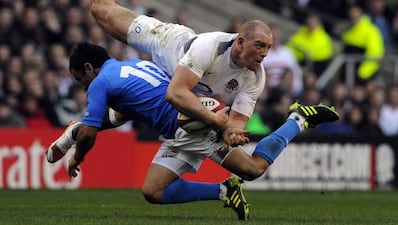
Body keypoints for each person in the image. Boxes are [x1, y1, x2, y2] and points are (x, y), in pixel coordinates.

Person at [47, 43, 339, 220]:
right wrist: (81, 130)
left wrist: (77, 155)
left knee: (253, 168)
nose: (83, 87)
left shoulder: (100, 83)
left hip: (191, 126)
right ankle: (225, 190)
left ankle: (298, 120)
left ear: (89, 68)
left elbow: (89, 134)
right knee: (152, 191)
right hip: (179, 128)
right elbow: (122, 114)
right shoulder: (130, 66)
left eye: (80, 80)